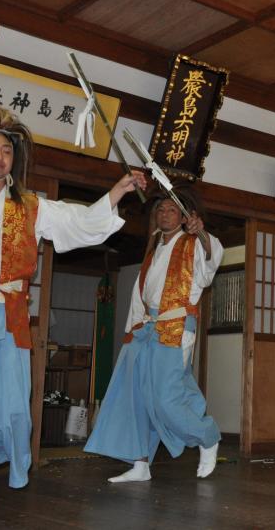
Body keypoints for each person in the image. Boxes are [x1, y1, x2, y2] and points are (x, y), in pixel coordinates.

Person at [0, 104, 146, 530]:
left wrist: (117, 191)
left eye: (6, 150)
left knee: (11, 413)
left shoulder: (32, 207)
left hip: (10, 319)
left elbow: (80, 222)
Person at [84, 187, 223, 483]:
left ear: (185, 217)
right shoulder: (154, 246)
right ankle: (140, 462)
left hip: (175, 326)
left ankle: (207, 436)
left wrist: (202, 234)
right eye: (161, 210)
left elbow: (210, 261)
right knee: (134, 394)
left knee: (165, 396)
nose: (165, 214)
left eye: (173, 210)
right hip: (146, 328)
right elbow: (140, 295)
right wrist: (132, 329)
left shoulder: (192, 242)